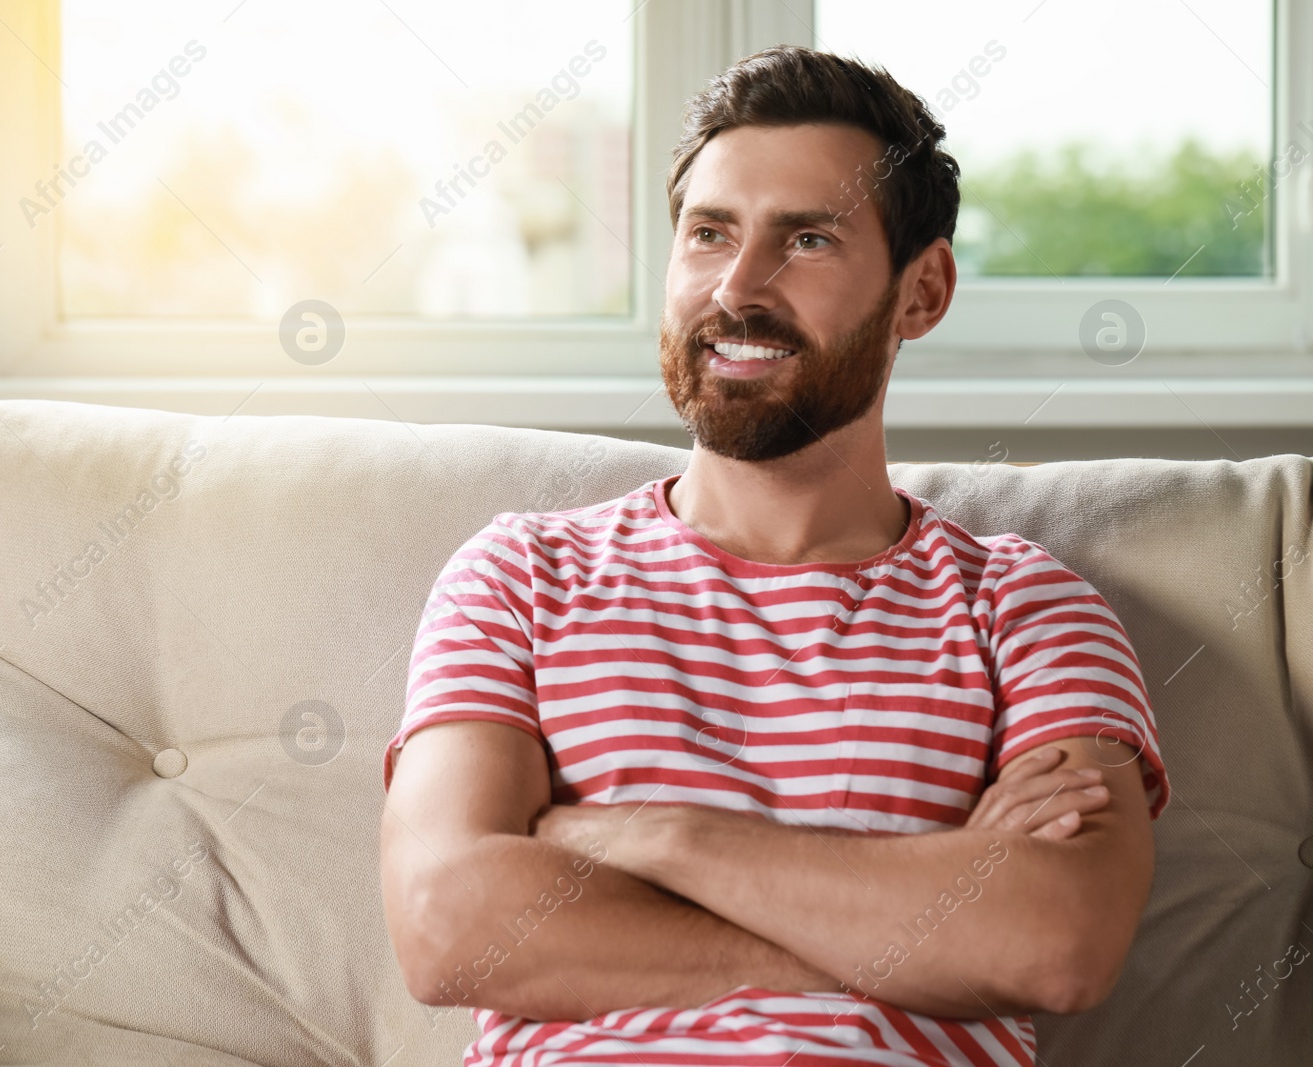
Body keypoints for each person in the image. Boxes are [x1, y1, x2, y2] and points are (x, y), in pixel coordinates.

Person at [380, 44, 1167, 1067]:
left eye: (806, 239)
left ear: (920, 292)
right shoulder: (520, 576)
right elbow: (448, 927)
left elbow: (1057, 942)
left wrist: (650, 836)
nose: (738, 286)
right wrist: (917, 925)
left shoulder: (1022, 605)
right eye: (708, 234)